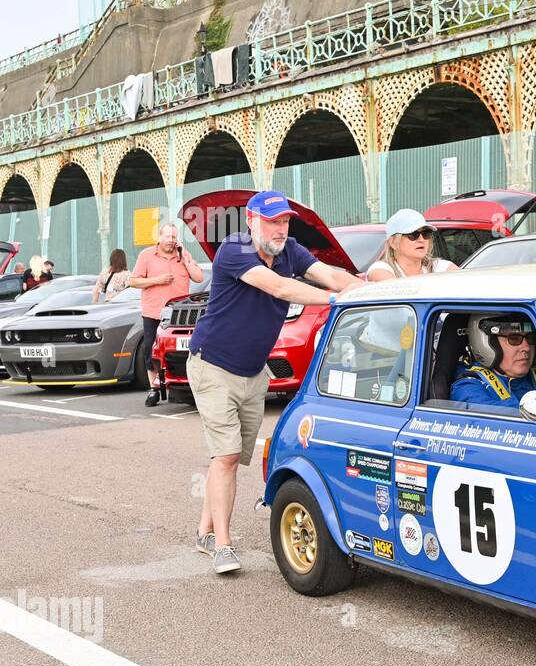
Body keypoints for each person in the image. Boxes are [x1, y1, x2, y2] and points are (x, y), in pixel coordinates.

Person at [188, 190, 364, 574]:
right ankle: (223, 546)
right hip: (213, 367)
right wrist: (335, 299)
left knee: (227, 458)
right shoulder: (234, 250)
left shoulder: (291, 250)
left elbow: (329, 274)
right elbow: (280, 288)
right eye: (272, 221)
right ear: (250, 220)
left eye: (285, 221)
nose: (281, 228)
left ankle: (204, 531)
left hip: (253, 371)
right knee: (228, 456)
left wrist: (362, 288)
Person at [130, 222, 204, 406]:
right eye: (167, 237)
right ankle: (154, 388)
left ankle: (184, 387)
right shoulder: (146, 255)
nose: (171, 241)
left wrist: (185, 259)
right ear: (159, 237)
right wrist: (157, 280)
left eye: (173, 237)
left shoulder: (183, 254)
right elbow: (133, 281)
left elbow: (199, 277)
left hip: (179, 316)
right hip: (154, 312)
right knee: (150, 351)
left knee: (181, 351)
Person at [450, 313, 536, 410]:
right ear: (487, 343)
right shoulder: (469, 387)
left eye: (531, 338)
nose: (527, 347)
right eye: (514, 339)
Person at [365, 208, 458, 281]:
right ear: (393, 242)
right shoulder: (381, 269)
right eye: (413, 235)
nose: (421, 239)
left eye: (426, 233)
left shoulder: (439, 267)